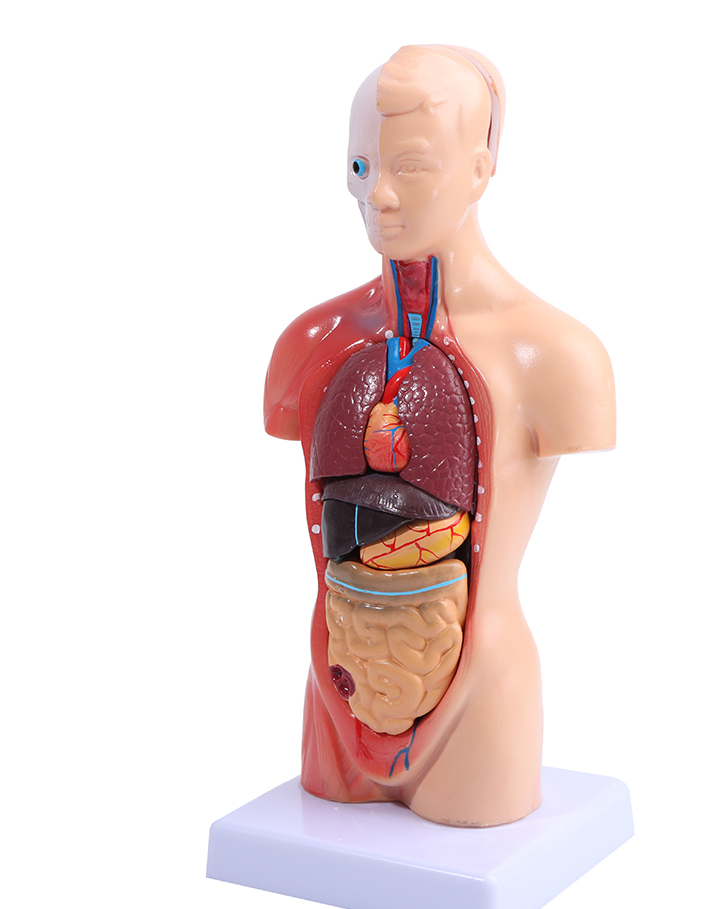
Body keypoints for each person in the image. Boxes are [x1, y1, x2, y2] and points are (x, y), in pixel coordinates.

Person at [263, 46, 615, 827]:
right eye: (361, 166)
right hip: (341, 677)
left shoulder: (558, 356)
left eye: (412, 166)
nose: (378, 195)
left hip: (482, 696)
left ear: (482, 168)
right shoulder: (311, 342)